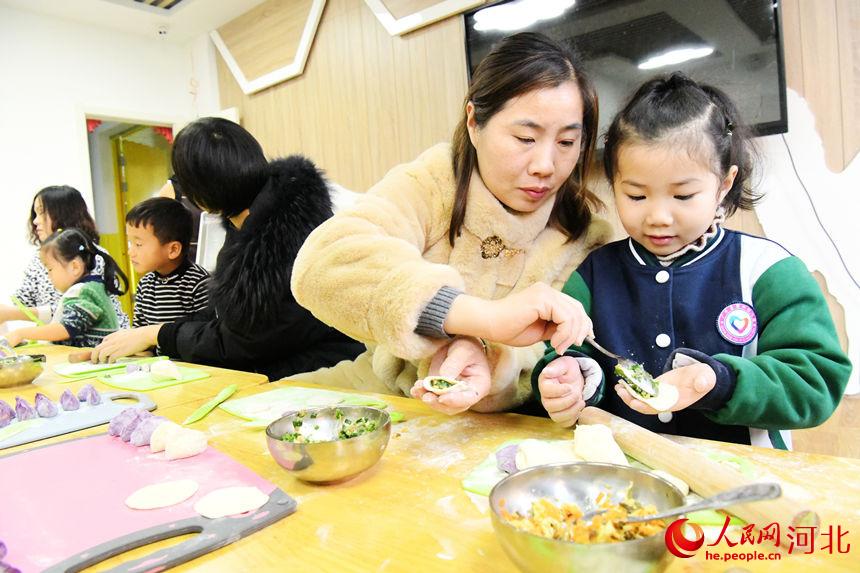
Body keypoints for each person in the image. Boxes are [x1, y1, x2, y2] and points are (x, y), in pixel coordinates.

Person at [290, 32, 611, 414]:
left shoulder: (582, 235)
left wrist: (486, 357)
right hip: (380, 395)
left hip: (499, 426)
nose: (545, 165)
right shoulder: (433, 182)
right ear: (475, 122)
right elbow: (324, 264)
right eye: (526, 137)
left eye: (565, 143)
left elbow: (548, 357)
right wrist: (479, 319)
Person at [533, 72, 851, 448]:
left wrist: (720, 382)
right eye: (636, 196)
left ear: (724, 183)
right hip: (626, 477)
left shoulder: (768, 271)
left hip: (740, 479)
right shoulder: (593, 274)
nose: (659, 217)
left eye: (683, 196)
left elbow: (815, 382)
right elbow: (568, 353)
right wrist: (567, 377)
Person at [90, 117, 365, 379]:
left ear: (200, 195)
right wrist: (155, 335)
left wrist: (159, 335)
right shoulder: (252, 218)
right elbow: (229, 317)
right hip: (288, 361)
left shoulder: (283, 241)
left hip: (324, 372)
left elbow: (243, 341)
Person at [0, 185, 130, 329]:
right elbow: (23, 301)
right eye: (35, 214)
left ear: (62, 215)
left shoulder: (90, 255)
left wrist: (12, 314)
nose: (35, 221)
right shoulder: (38, 258)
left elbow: (73, 314)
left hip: (101, 345)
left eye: (41, 213)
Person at [2, 229, 127, 348]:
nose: (48, 275)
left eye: (50, 269)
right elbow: (57, 314)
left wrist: (20, 334)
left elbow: (66, 328)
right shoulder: (90, 287)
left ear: (75, 267)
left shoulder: (84, 291)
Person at [125, 197, 210, 328]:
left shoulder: (199, 284)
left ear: (173, 249)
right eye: (130, 243)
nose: (130, 252)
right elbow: (138, 331)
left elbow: (204, 336)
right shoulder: (145, 284)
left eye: (138, 244)